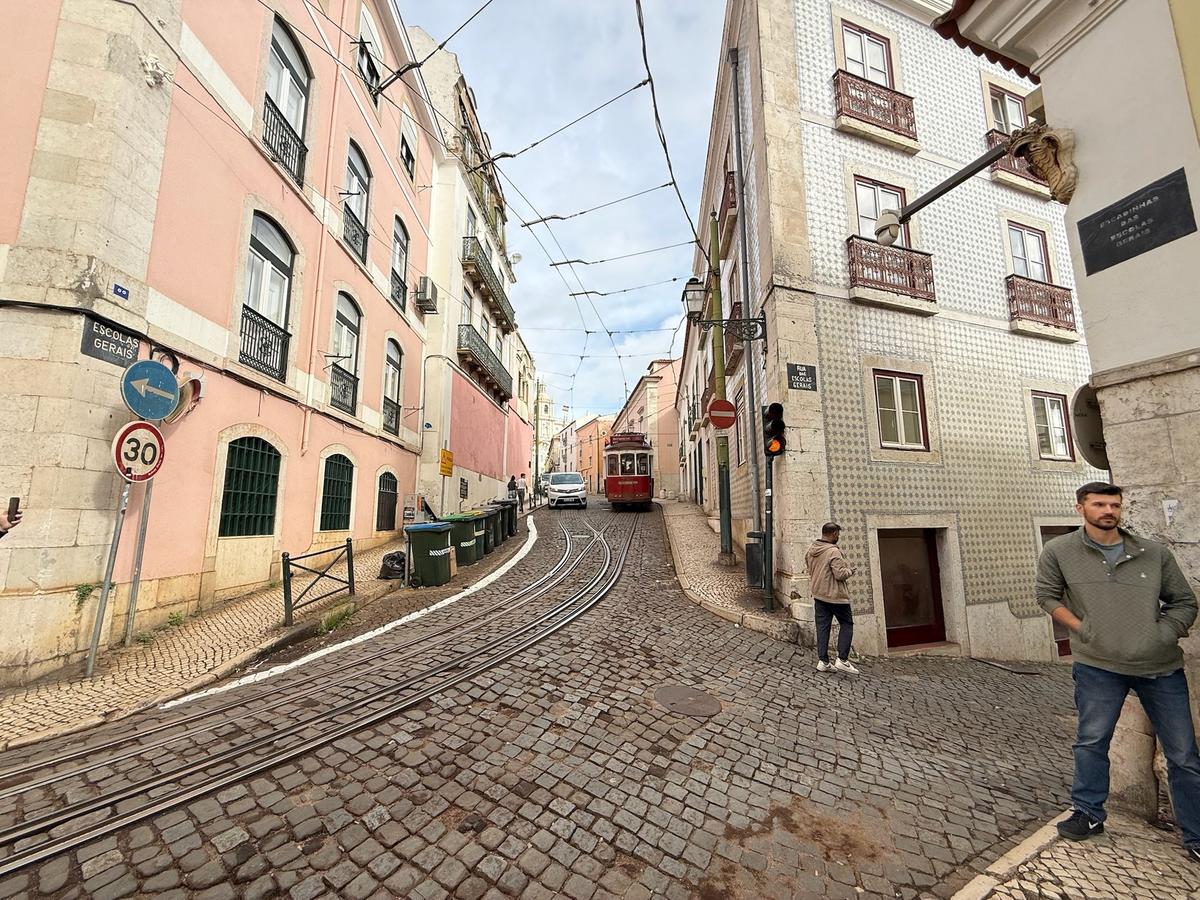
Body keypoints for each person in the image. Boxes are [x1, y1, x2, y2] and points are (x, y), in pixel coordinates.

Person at [1036, 482, 1199, 861]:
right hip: (1098, 665)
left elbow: (1184, 602)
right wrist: (1084, 629)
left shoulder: (1153, 553)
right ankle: (1089, 814)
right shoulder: (1059, 551)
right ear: (1080, 508)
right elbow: (1046, 595)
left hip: (1160, 666)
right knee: (1091, 742)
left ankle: (1196, 834)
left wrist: (1163, 634)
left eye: (1114, 505)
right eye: (1099, 504)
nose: (1108, 511)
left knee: (1183, 753)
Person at [804, 523, 859, 674]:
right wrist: (850, 571)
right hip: (836, 596)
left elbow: (809, 566)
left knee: (823, 627)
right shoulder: (833, 551)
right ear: (834, 534)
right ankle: (842, 659)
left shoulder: (812, 549)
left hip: (819, 594)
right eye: (838, 534)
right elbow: (840, 574)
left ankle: (823, 661)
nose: (838, 537)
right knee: (847, 624)